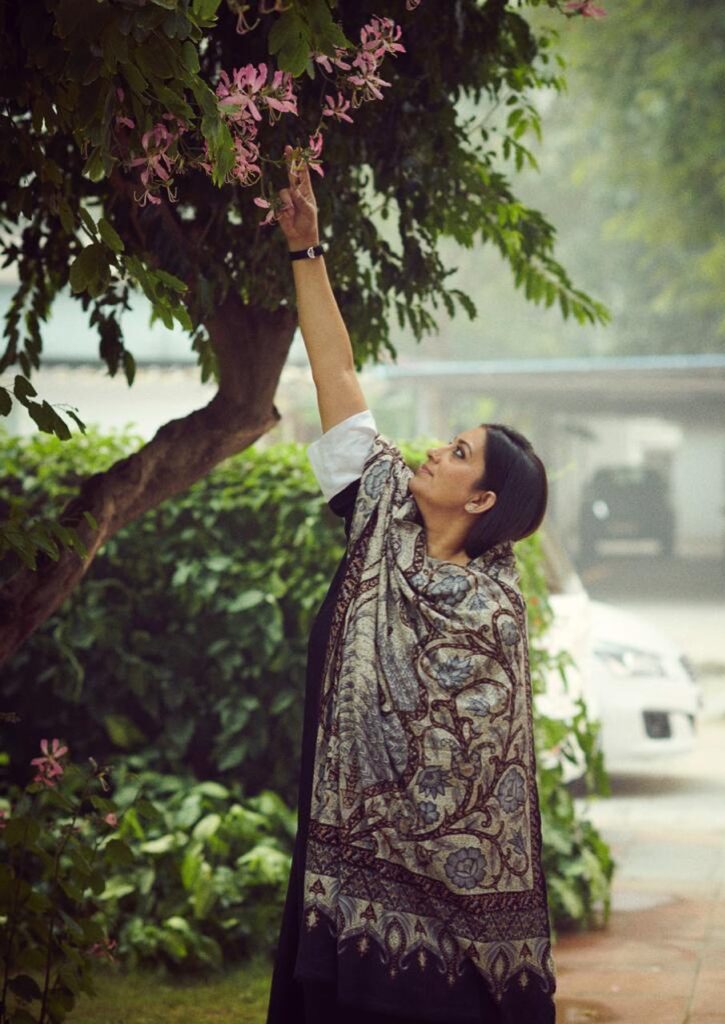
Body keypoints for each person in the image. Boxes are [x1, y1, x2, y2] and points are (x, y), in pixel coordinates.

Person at [265, 147, 557, 1024]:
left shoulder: (491, 610)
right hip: (342, 876)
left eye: (457, 452)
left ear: (481, 497)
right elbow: (340, 380)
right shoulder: (380, 507)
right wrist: (305, 253)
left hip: (458, 914)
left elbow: (483, 766)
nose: (433, 448)